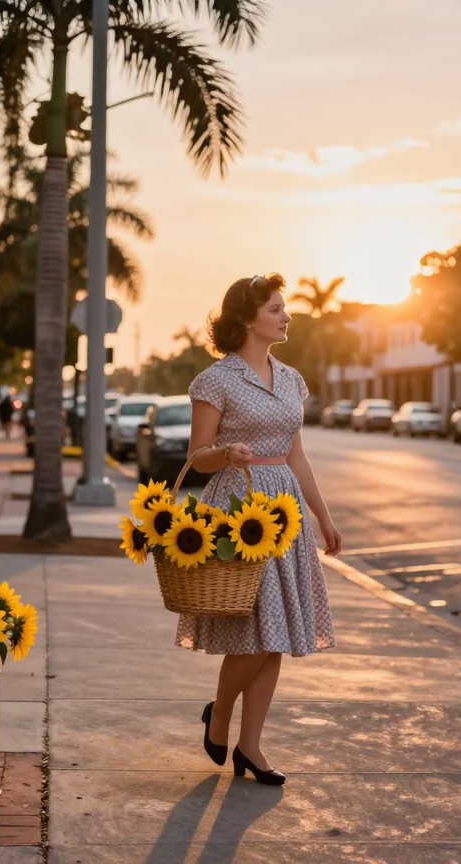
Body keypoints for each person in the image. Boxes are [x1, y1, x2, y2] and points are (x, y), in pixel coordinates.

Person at [182, 272, 341, 786]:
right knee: (252, 634)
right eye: (276, 308)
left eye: (283, 307)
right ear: (247, 318)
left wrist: (323, 515)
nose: (286, 315)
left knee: (275, 634)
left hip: (285, 511)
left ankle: (250, 746)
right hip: (236, 508)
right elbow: (197, 460)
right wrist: (226, 452)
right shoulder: (217, 380)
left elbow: (296, 453)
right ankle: (221, 710)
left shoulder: (292, 379)